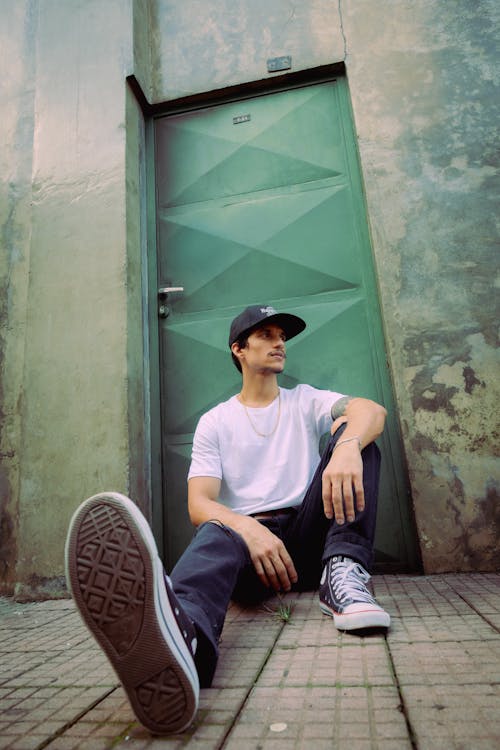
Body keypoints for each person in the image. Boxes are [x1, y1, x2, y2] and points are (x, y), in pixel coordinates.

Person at [65, 303, 390, 735]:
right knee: (217, 529)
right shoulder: (215, 422)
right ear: (239, 349)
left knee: (358, 437)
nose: (280, 343)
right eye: (268, 335)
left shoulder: (304, 401)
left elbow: (373, 411)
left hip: (310, 540)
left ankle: (343, 574)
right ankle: (185, 641)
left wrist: (347, 445)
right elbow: (199, 504)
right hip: (251, 554)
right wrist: (250, 528)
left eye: (283, 337)